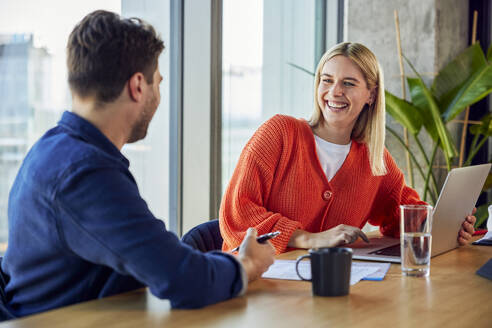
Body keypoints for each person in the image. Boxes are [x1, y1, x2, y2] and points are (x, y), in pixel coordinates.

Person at [0, 10, 275, 318]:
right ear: (138, 86)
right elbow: (183, 279)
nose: (158, 96)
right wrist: (248, 264)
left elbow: (151, 255)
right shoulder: (86, 173)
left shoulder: (53, 150)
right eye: (158, 83)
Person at [219, 42, 476, 254]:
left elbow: (404, 214)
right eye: (327, 80)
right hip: (257, 285)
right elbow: (238, 212)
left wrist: (445, 225)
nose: (334, 92)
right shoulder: (279, 134)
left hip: (325, 288)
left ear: (371, 95)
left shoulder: (374, 160)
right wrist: (308, 239)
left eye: (349, 83)